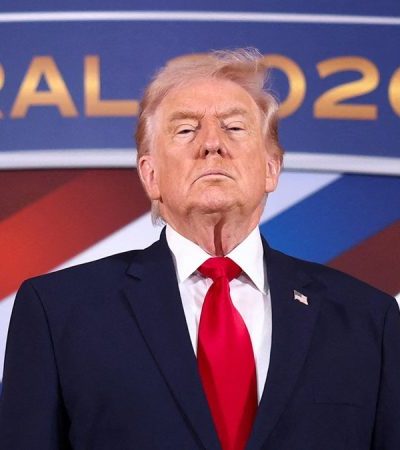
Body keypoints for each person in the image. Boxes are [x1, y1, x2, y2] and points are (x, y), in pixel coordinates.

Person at [0, 48, 399, 450]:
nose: (212, 144)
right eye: (186, 130)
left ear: (271, 168)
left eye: (234, 127)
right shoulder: (59, 312)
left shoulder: (368, 319)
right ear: (151, 175)